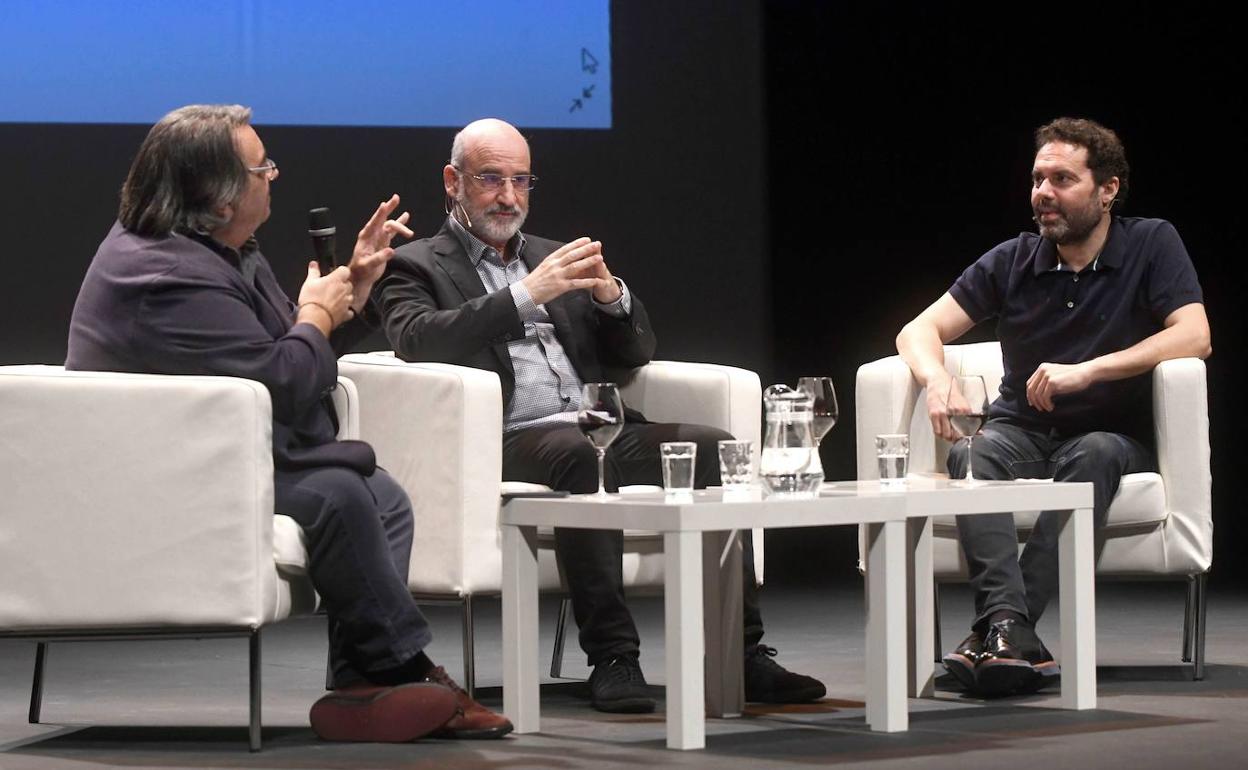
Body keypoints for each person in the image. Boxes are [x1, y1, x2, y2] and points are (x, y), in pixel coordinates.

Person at [66, 104, 512, 742]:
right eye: (260, 167)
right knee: (339, 496)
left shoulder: (215, 250)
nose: (273, 174)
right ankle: (409, 668)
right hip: (159, 473)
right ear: (217, 198)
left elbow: (291, 350)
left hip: (215, 451)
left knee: (380, 495)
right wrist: (315, 314)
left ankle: (363, 683)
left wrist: (349, 299)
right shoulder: (164, 275)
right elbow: (284, 378)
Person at [373, 118, 825, 713]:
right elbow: (416, 339)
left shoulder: (554, 255)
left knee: (719, 448)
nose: (509, 197)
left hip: (598, 424)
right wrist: (524, 296)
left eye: (521, 181)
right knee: (584, 455)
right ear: (453, 181)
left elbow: (635, 353)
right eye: (490, 180)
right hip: (508, 438)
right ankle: (615, 657)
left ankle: (741, 654)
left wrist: (613, 298)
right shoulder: (415, 264)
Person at [895, 117, 1211, 697]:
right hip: (1020, 432)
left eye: (1062, 179)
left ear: (1108, 189)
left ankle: (1001, 630)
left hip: (1107, 433)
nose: (1043, 193)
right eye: (1039, 179)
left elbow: (1194, 334)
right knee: (972, 452)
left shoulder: (1149, 243)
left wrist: (1090, 369)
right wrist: (937, 379)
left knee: (1091, 455)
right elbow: (918, 330)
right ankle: (1013, 634)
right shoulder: (1015, 258)